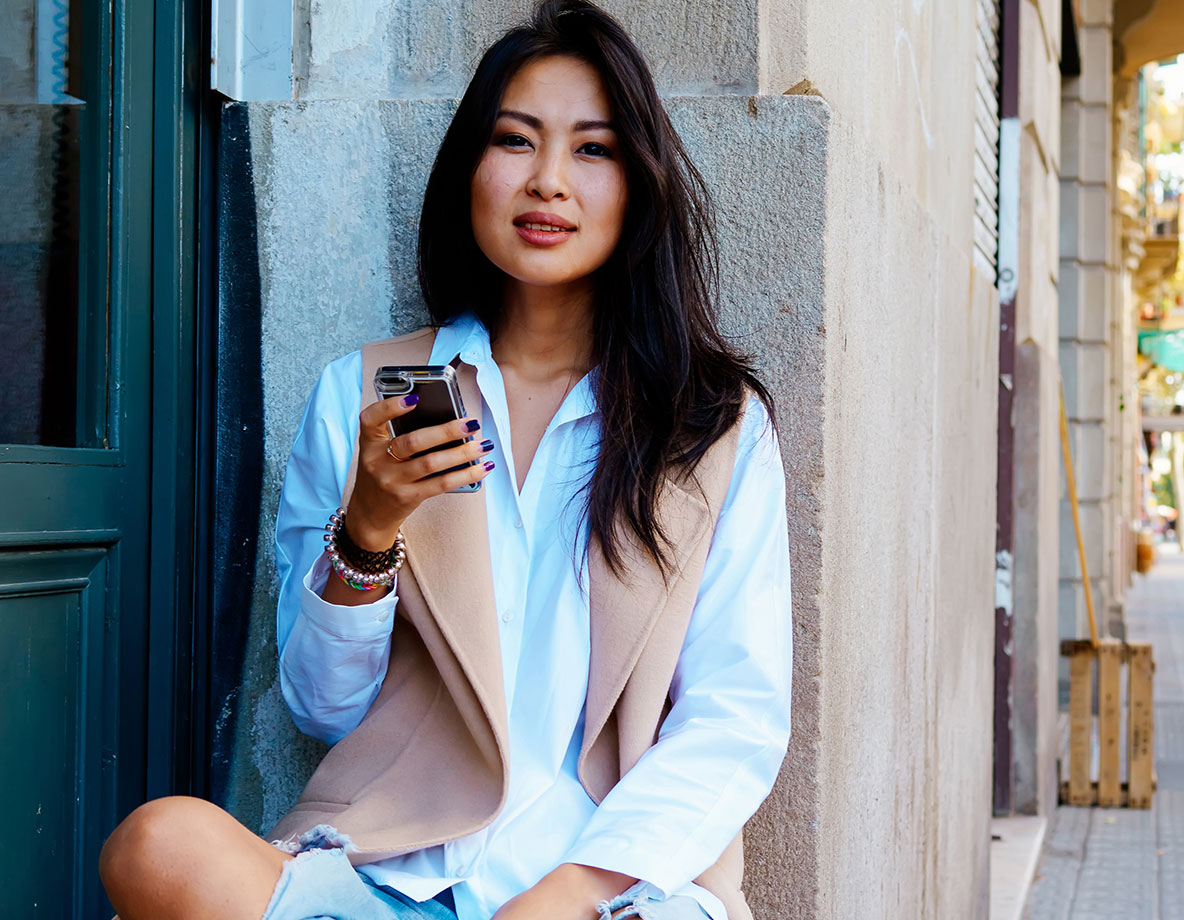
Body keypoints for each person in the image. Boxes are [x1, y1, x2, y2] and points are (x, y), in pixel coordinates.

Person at [97, 3, 792, 920]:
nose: (548, 182)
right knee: (159, 846)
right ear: (470, 166)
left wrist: (564, 898)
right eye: (516, 141)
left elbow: (735, 716)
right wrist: (370, 531)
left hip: (611, 891)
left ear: (639, 186)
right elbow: (324, 709)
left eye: (593, 149)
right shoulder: (368, 393)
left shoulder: (708, 424)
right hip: (398, 874)